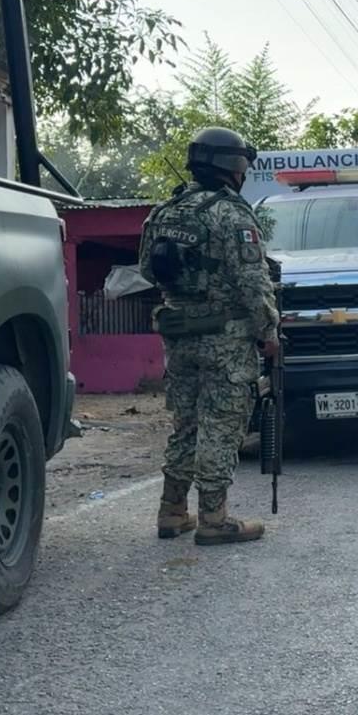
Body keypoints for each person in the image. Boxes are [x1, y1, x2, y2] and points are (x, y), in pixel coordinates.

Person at [139, 127, 280, 545]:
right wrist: (269, 331)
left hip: (178, 336)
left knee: (185, 423)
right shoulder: (232, 215)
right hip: (226, 340)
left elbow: (147, 269)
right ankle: (214, 519)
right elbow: (253, 283)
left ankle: (172, 511)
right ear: (233, 166)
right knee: (221, 424)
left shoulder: (166, 210)